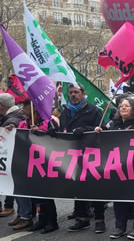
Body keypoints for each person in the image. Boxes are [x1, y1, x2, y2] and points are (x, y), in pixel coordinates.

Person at [95, 98, 134, 240]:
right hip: (118, 168)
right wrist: (101, 131)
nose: (123, 108)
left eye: (126, 106)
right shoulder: (113, 125)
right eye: (121, 106)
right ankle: (120, 227)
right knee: (119, 198)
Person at [55, 83, 106, 234]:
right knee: (78, 187)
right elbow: (63, 130)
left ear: (83, 94)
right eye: (71, 93)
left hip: (91, 155)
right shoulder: (65, 112)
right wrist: (54, 132)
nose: (73, 95)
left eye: (76, 92)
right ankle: (82, 218)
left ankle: (99, 220)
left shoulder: (93, 110)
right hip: (72, 155)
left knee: (94, 188)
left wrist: (85, 130)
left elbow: (103, 129)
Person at [17, 99, 59, 234]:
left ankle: (52, 221)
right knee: (35, 194)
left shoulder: (47, 121)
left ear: (34, 107)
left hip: (45, 162)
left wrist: (40, 131)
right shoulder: (24, 123)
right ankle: (41, 219)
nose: (23, 108)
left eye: (25, 105)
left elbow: (55, 135)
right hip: (29, 163)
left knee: (46, 193)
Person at [0, 93, 29, 229]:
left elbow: (16, 122)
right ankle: (22, 214)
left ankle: (25, 216)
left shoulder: (13, 117)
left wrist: (11, 125)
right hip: (15, 158)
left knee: (20, 188)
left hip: (18, 159)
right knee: (16, 189)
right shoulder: (13, 114)